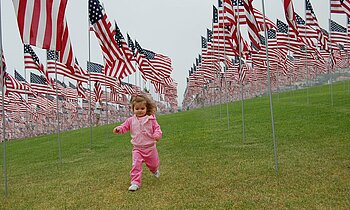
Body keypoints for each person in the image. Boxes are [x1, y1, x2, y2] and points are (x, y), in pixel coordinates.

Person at [113, 94, 162, 192]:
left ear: (146, 108)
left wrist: (157, 135)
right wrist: (119, 129)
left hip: (150, 148)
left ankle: (154, 170)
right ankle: (135, 182)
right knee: (136, 164)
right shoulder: (131, 120)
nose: (139, 110)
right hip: (137, 148)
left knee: (153, 164)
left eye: (142, 108)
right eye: (137, 108)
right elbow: (124, 127)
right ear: (133, 109)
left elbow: (157, 129)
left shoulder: (151, 119)